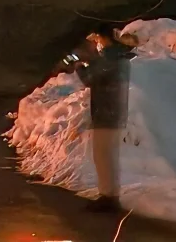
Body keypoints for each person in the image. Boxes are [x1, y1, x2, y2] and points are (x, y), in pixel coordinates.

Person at [67, 28, 137, 212]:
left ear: (103, 38)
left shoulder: (110, 57)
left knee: (103, 156)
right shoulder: (120, 56)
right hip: (115, 111)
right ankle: (110, 195)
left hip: (106, 112)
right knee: (109, 156)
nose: (97, 43)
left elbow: (90, 77)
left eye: (97, 38)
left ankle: (108, 198)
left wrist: (79, 65)